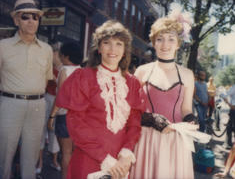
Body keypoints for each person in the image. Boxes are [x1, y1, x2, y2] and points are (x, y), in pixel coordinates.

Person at [52, 20, 143, 179]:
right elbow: (76, 123)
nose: (113, 49)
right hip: (89, 158)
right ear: (99, 48)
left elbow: (134, 121)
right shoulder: (83, 77)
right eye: (107, 43)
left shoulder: (133, 83)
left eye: (119, 44)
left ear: (125, 50)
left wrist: (127, 151)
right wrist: (104, 158)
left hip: (120, 161)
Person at [129, 10, 197, 179]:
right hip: (146, 140)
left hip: (175, 141)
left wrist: (190, 120)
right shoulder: (142, 71)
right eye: (160, 39)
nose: (165, 45)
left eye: (171, 39)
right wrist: (151, 119)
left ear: (178, 44)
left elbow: (186, 108)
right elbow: (131, 109)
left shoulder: (187, 74)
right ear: (153, 42)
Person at [0, 0, 53, 179]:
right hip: (9, 104)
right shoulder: (2, 47)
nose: (31, 21)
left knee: (31, 156)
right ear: (16, 21)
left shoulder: (47, 49)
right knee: (4, 155)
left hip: (37, 105)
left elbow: (46, 80)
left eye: (35, 17)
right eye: (25, 17)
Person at [48, 42, 83, 179]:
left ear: (66, 56)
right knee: (75, 153)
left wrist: (51, 116)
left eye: (61, 55)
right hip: (79, 118)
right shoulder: (82, 70)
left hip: (65, 116)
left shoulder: (64, 70)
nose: (60, 57)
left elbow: (61, 97)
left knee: (66, 153)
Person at [36, 43, 62, 174]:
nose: (55, 55)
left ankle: (54, 160)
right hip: (46, 98)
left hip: (58, 101)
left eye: (56, 53)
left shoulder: (63, 68)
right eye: (53, 53)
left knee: (54, 132)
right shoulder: (47, 66)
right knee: (41, 130)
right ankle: (39, 161)